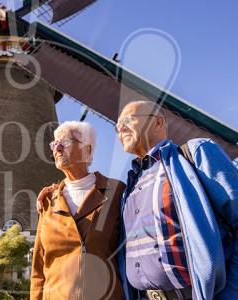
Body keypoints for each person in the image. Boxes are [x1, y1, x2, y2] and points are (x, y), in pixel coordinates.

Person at [37, 101, 238, 300]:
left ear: (158, 123)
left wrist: (231, 293)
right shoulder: (130, 186)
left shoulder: (192, 156)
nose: (120, 129)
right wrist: (60, 191)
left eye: (128, 120)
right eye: (117, 126)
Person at [30, 121, 126, 299]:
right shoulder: (48, 201)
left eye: (65, 142)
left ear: (87, 150)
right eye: (54, 143)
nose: (57, 148)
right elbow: (38, 268)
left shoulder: (116, 191)